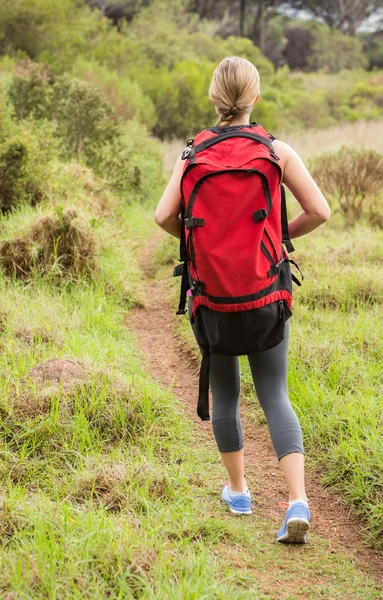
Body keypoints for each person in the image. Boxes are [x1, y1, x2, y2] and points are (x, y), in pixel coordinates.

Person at [154, 56, 330, 543]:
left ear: (214, 97)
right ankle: (297, 501)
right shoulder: (276, 151)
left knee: (226, 394)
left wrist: (198, 248)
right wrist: (277, 238)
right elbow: (321, 210)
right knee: (275, 394)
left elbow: (162, 216)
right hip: (267, 292)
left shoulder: (191, 155)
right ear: (255, 97)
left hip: (210, 296)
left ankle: (239, 491)